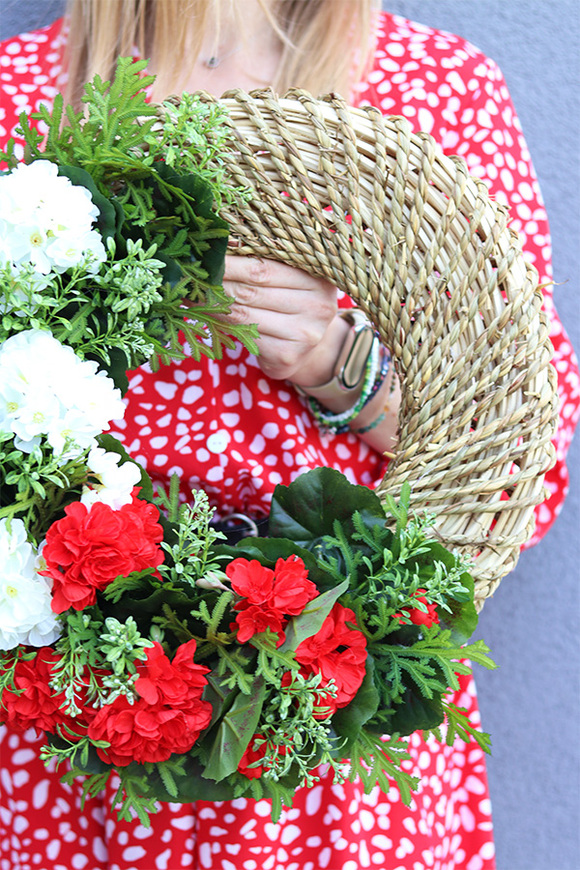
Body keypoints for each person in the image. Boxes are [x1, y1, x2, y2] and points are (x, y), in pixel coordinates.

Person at [0, 2, 578, 869]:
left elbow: (516, 465)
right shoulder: (25, 98)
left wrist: (336, 364)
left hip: (340, 743)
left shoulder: (436, 89)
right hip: (92, 726)